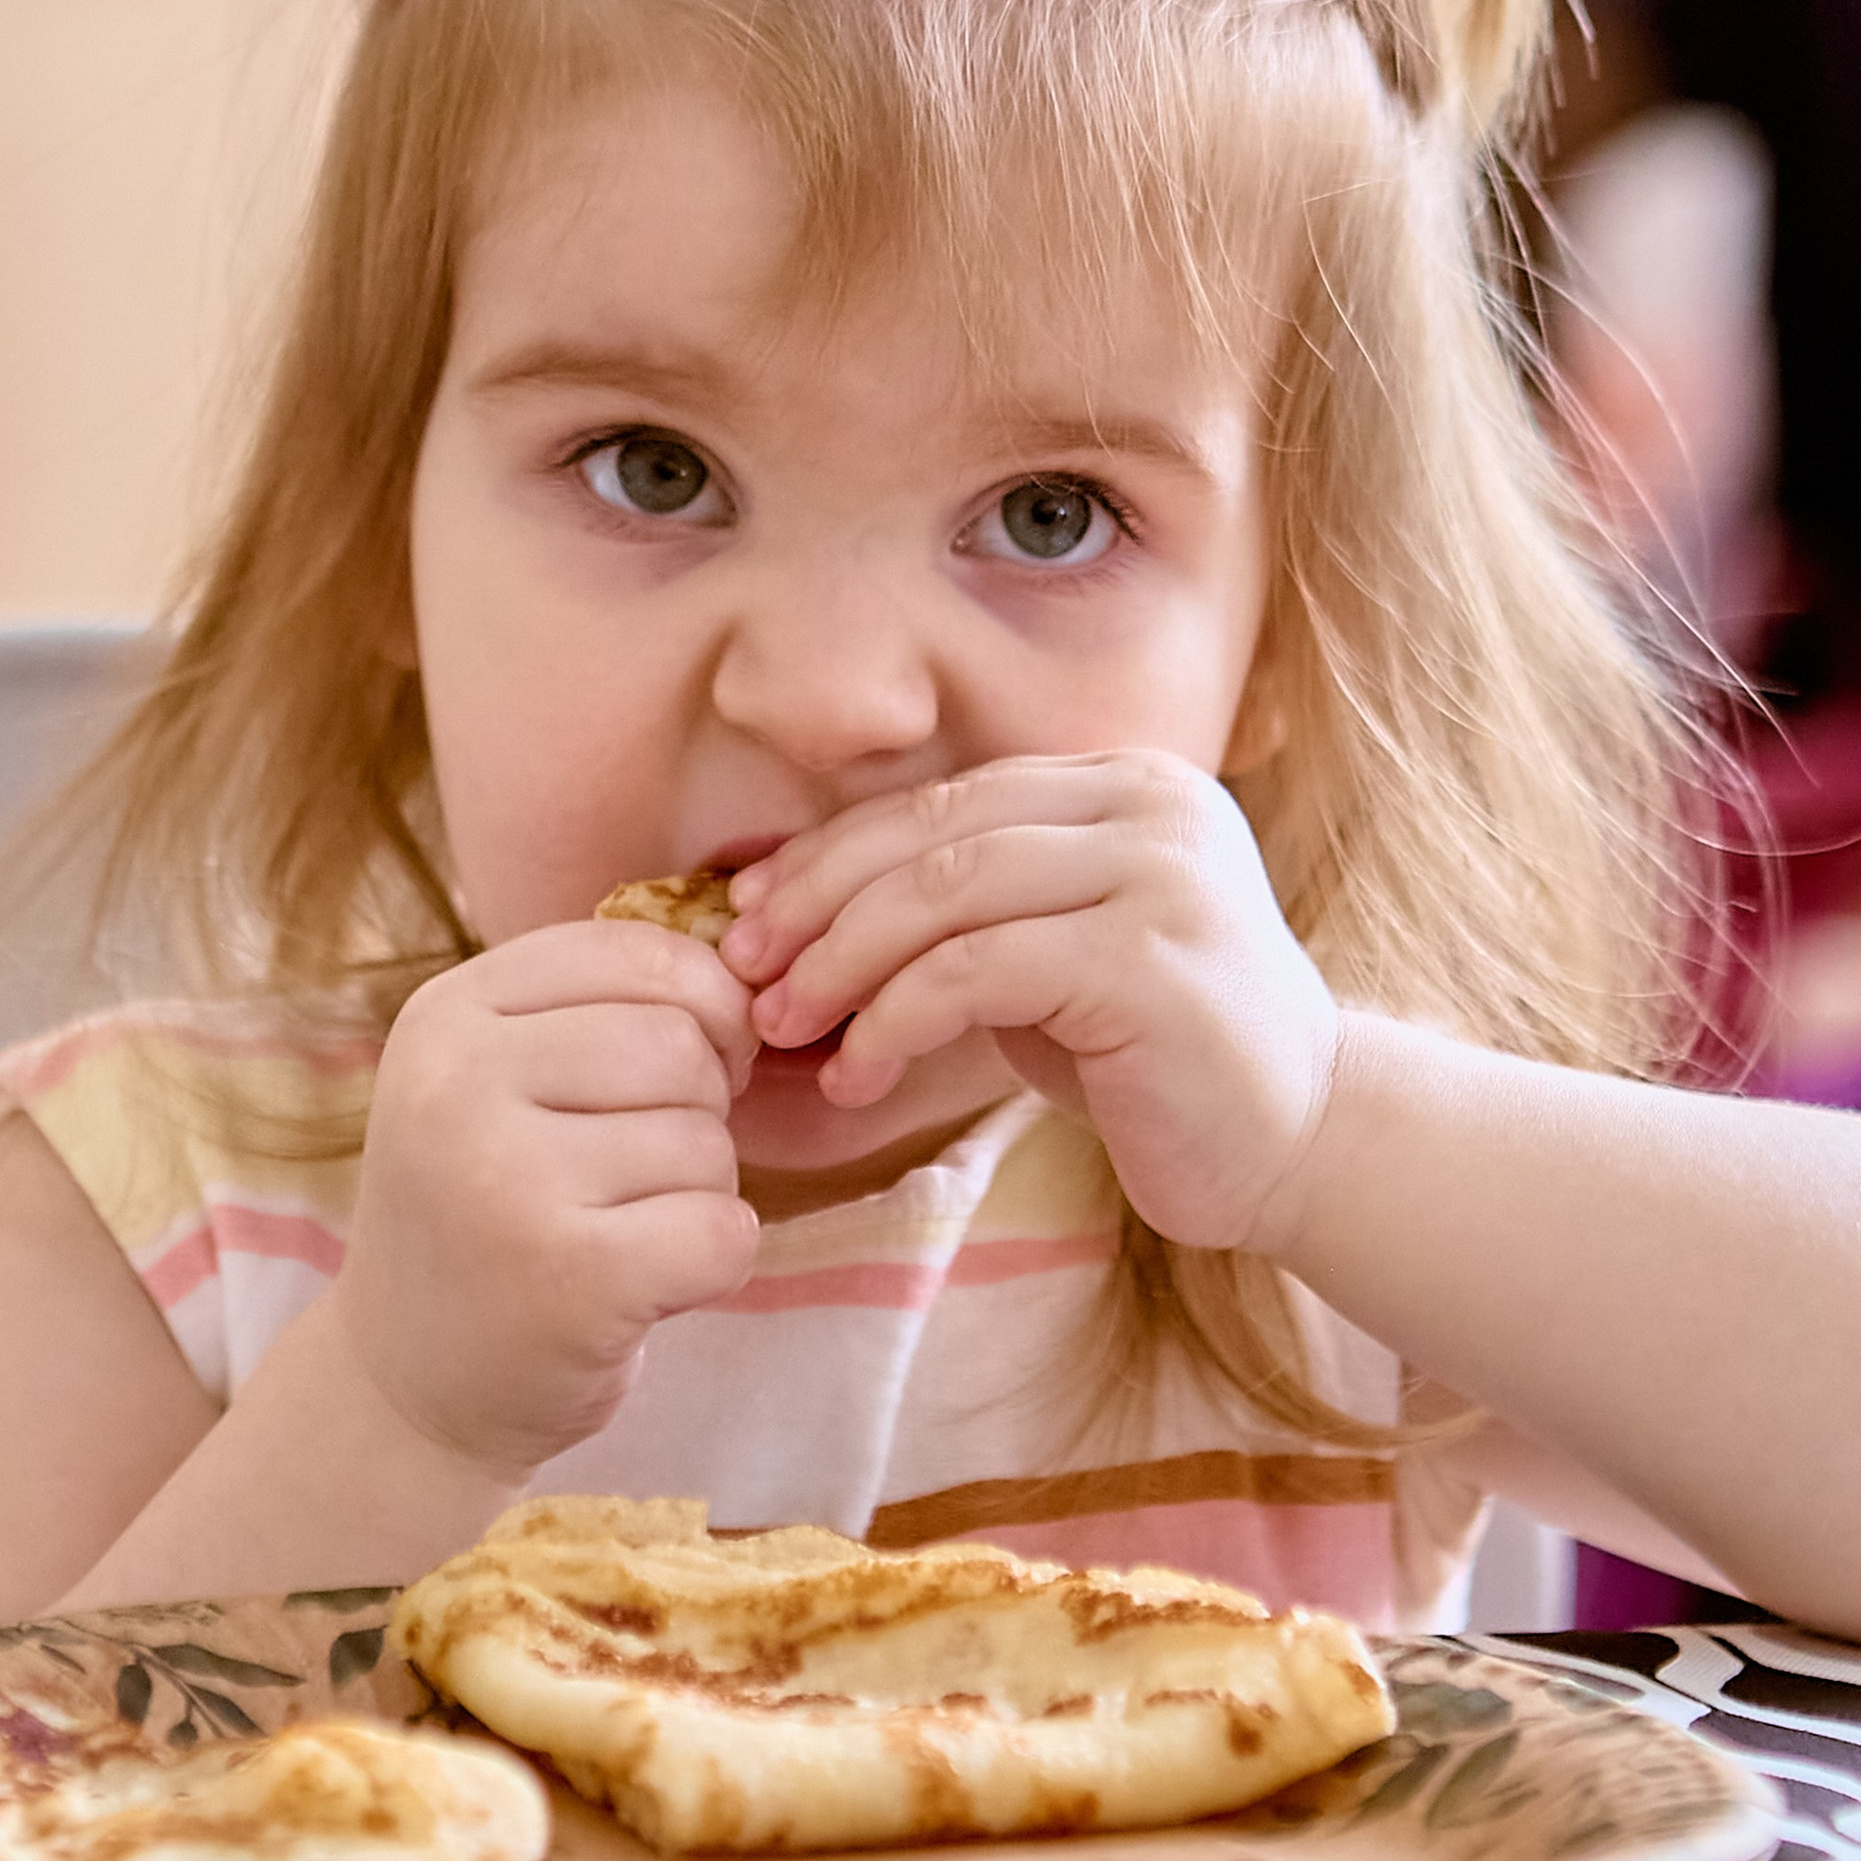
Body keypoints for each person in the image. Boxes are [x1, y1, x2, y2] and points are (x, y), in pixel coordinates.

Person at [2, 0, 1858, 1642]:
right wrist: (394, 1411)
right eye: (654, 471)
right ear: (372, 538)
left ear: (1290, 630)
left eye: (1048, 513)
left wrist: (1331, 1138)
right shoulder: (151, 1207)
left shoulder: (1315, 1214)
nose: (833, 699)